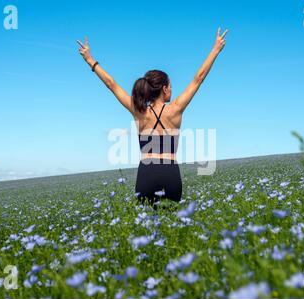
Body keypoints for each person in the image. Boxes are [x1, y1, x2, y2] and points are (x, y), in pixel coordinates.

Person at [77, 27, 229, 207]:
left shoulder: (139, 111)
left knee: (145, 227)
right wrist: (215, 50)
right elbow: (199, 78)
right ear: (164, 89)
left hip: (146, 173)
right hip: (170, 173)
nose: (172, 89)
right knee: (171, 228)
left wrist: (90, 60)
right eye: (170, 86)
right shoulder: (175, 109)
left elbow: (112, 85)